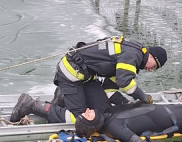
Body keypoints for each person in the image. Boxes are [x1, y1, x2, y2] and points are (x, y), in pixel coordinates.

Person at [9, 37, 167, 124]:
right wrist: (142, 97)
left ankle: (63, 97)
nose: (151, 70)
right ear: (151, 56)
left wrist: (124, 103)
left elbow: (110, 88)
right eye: (154, 66)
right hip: (71, 74)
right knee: (81, 119)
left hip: (85, 77)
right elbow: (124, 82)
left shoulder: (130, 53)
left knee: (103, 110)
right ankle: (31, 105)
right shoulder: (134, 55)